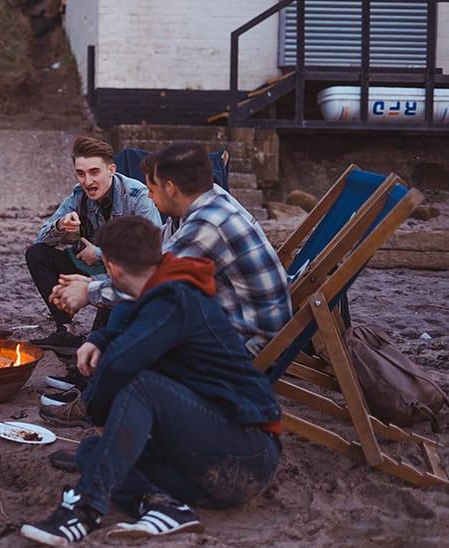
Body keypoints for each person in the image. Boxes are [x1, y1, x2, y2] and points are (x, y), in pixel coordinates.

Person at [20, 216, 282, 545]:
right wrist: (97, 340)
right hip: (203, 471)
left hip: (246, 455)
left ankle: (86, 509)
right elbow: (124, 325)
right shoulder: (153, 290)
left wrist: (97, 414)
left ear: (111, 269)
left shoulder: (176, 297)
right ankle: (163, 505)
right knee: (92, 451)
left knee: (140, 386)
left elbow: (120, 365)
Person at [49, 140, 291, 357]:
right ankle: (90, 387)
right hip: (231, 319)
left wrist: (88, 291)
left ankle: (95, 395)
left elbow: (154, 281)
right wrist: (93, 282)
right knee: (129, 313)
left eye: (152, 191)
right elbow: (155, 263)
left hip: (250, 343)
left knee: (138, 319)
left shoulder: (208, 223)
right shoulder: (201, 204)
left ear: (171, 188)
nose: (151, 199)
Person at [25, 136, 162, 357]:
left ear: (111, 169)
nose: (87, 181)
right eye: (81, 173)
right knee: (37, 254)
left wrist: (98, 253)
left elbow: (153, 251)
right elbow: (41, 237)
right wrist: (61, 225)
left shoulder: (137, 196)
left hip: (125, 274)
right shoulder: (79, 195)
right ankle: (66, 330)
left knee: (100, 336)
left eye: (94, 172)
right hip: (91, 268)